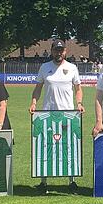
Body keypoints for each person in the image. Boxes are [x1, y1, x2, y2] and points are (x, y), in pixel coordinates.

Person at [30, 39, 84, 194]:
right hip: (47, 113)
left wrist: (79, 103)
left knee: (69, 147)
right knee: (45, 146)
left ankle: (72, 181)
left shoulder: (72, 68)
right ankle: (43, 182)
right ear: (51, 51)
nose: (58, 53)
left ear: (65, 51)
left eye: (61, 50)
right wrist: (34, 103)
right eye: (56, 50)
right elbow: (38, 88)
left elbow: (78, 89)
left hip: (68, 114)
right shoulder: (44, 67)